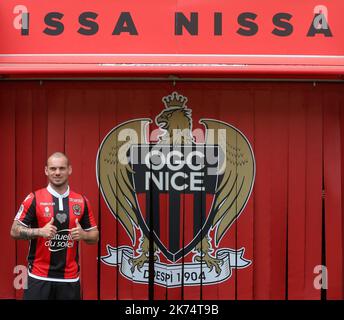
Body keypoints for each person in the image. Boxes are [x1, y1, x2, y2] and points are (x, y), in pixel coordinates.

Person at [10, 152, 99, 300]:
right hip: (38, 277)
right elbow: (14, 230)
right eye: (53, 168)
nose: (57, 172)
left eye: (62, 168)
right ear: (46, 171)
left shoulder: (81, 201)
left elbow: (95, 236)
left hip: (69, 279)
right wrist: (40, 231)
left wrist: (84, 235)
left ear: (69, 170)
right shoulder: (34, 198)